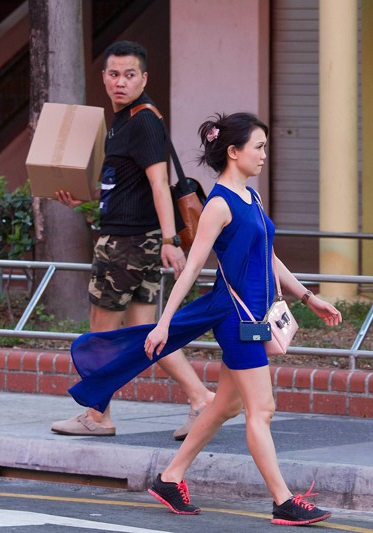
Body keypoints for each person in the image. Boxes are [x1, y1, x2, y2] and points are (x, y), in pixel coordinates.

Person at [65, 112, 342, 526]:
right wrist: (164, 323)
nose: (265, 155)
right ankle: (283, 500)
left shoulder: (251, 197)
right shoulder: (218, 205)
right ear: (234, 152)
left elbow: (266, 253)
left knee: (224, 406)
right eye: (259, 147)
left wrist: (307, 296)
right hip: (237, 320)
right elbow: (194, 267)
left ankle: (169, 478)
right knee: (261, 410)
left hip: (254, 315)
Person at [50, 40, 214, 440]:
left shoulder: (142, 120)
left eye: (128, 75)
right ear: (103, 77)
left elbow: (159, 185)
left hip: (126, 243)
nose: (119, 82)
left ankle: (97, 414)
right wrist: (85, 196)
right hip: (134, 241)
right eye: (112, 74)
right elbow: (126, 186)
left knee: (102, 333)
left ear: (144, 78)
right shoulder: (122, 121)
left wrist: (171, 240)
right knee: (144, 331)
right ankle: (200, 398)